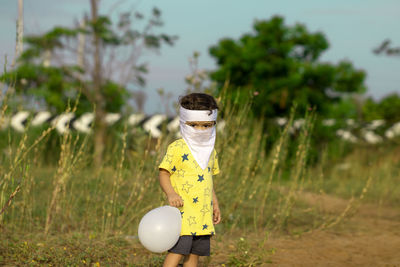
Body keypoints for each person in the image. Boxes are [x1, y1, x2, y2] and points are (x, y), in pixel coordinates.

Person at [158, 93, 221, 267]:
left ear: (213, 124)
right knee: (177, 252)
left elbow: (208, 182)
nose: (200, 130)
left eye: (206, 125)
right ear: (184, 122)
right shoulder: (178, 147)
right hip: (183, 214)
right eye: (193, 125)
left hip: (202, 215)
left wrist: (215, 204)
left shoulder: (211, 151)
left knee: (194, 256)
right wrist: (171, 194)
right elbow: (164, 173)